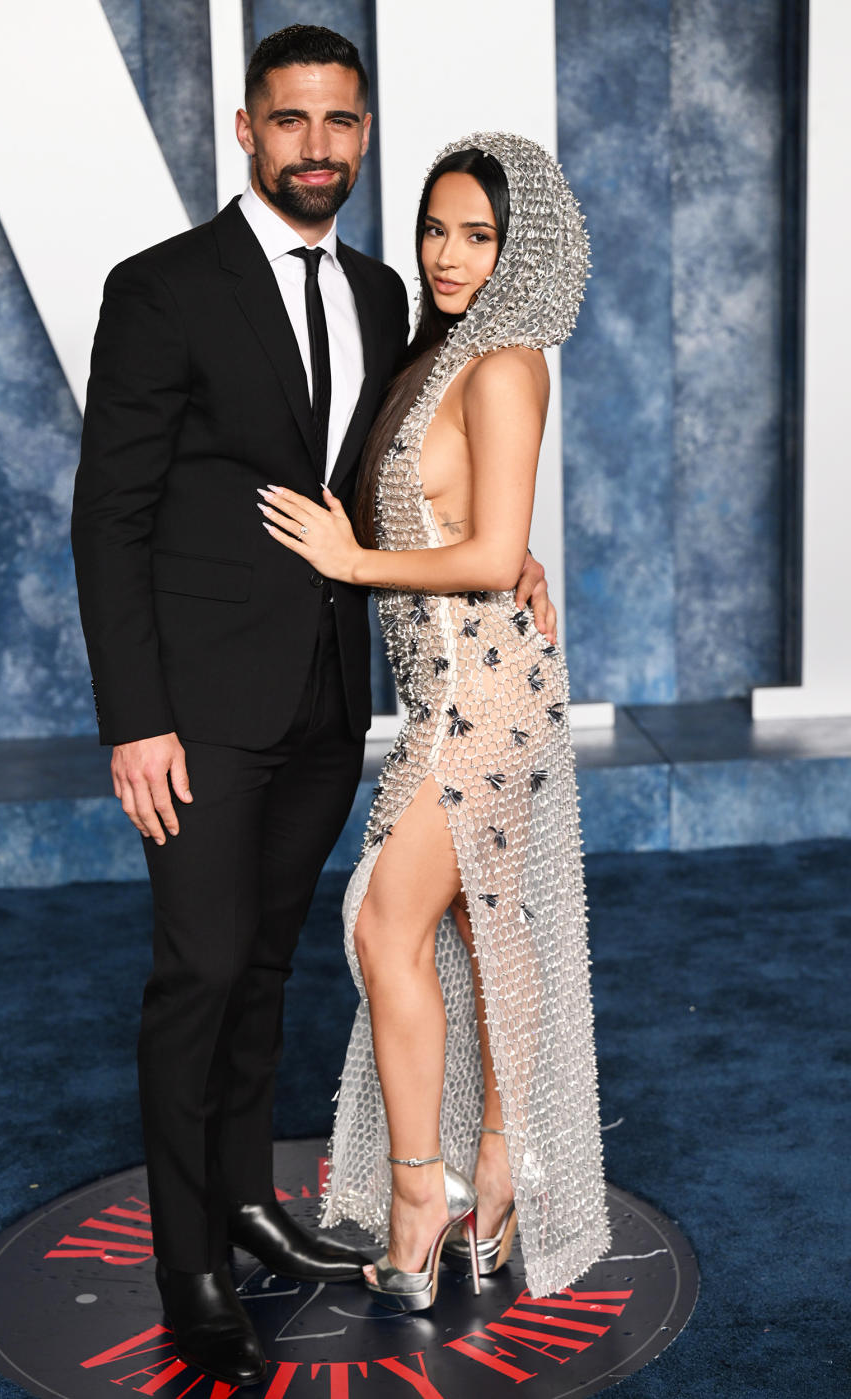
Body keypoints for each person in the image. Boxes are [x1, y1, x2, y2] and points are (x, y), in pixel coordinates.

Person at [71, 26, 556, 1386]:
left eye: (343, 123)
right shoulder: (161, 288)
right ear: (245, 130)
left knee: (271, 964)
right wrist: (136, 714)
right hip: (200, 709)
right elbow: (110, 513)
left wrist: (513, 551)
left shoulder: (387, 294)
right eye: (292, 123)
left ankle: (242, 1202)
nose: (320, 148)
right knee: (200, 971)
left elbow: (414, 469)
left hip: (334, 693)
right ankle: (191, 1263)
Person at [261, 133, 610, 1312]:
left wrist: (354, 560)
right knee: (471, 939)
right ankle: (492, 1176)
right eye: (435, 230)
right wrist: (496, 558)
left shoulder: (508, 361)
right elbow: (479, 529)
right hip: (453, 690)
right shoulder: (440, 353)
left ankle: (426, 1198)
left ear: (521, 249)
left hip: (483, 700)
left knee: (384, 927)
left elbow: (489, 550)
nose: (450, 256)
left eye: (479, 235)